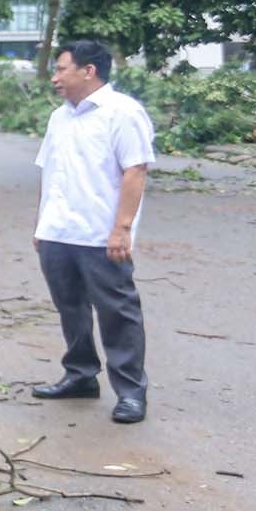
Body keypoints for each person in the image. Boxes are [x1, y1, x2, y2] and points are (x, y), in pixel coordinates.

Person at [30, 40, 155, 424]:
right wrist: (42, 224)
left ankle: (131, 392)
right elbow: (51, 173)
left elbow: (136, 170)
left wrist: (121, 229)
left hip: (101, 235)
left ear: (89, 71)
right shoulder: (59, 117)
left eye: (62, 69)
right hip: (59, 231)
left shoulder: (123, 113)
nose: (55, 78)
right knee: (70, 308)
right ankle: (81, 375)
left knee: (117, 311)